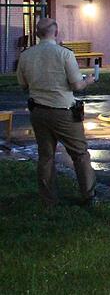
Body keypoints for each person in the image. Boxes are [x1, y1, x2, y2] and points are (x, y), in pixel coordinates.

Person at [17, 17, 98, 206]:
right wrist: (88, 81)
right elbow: (76, 85)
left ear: (37, 34)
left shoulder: (26, 55)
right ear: (56, 32)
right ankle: (88, 195)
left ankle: (48, 199)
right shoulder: (64, 54)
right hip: (63, 111)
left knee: (46, 156)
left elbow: (23, 84)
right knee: (79, 153)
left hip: (38, 111)